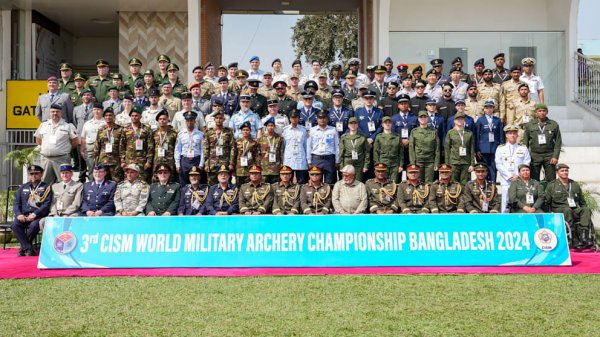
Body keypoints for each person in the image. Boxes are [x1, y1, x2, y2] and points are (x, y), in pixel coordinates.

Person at [545, 163, 594, 249]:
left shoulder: (574, 184)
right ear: (557, 173)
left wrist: (584, 208)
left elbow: (582, 201)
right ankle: (573, 238)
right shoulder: (552, 185)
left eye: (566, 170)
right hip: (558, 209)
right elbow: (547, 201)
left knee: (585, 209)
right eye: (562, 171)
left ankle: (584, 236)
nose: (565, 172)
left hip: (574, 209)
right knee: (567, 210)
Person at [12, 165, 52, 256]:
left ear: (41, 174)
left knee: (34, 225)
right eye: (31, 174)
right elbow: (17, 203)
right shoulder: (23, 187)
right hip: (24, 216)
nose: (33, 175)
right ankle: (28, 248)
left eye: (36, 173)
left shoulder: (47, 187)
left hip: (38, 216)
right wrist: (19, 214)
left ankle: (23, 248)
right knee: (15, 225)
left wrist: (34, 214)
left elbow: (46, 204)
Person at [34, 104, 79, 184]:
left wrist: (64, 149)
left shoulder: (68, 126)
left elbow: (75, 141)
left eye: (57, 112)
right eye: (53, 111)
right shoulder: (43, 125)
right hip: (46, 159)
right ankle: (47, 197)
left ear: (61, 113)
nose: (55, 113)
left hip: (62, 159)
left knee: (64, 181)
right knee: (45, 182)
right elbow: (38, 140)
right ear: (49, 113)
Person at [495, 125, 531, 213]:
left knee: (520, 201)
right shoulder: (500, 148)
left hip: (519, 179)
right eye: (510, 133)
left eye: (514, 133)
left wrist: (518, 175)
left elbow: (526, 163)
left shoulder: (523, 148)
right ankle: (504, 222)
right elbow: (498, 164)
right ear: (506, 135)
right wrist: (509, 176)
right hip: (506, 179)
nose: (512, 135)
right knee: (505, 202)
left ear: (517, 135)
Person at [522, 103, 562, 183]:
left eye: (544, 111)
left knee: (551, 179)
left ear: (547, 112)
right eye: (539, 111)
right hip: (534, 155)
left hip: (549, 156)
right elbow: (525, 142)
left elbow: (558, 142)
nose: (542, 112)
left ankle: (550, 195)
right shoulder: (530, 125)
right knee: (534, 179)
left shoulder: (553, 124)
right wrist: (526, 157)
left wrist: (555, 156)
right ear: (536, 113)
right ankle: (536, 195)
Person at [39, 164, 82, 232]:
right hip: (56, 214)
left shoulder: (78, 185)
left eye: (67, 173)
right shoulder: (54, 186)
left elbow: (76, 203)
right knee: (42, 222)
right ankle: (49, 241)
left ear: (71, 174)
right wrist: (54, 214)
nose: (65, 175)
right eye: (63, 173)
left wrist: (66, 214)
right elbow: (52, 202)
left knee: (68, 222)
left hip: (71, 214)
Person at [119, 106, 154, 182]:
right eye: (132, 116)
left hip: (142, 161)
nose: (134, 117)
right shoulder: (125, 129)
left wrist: (149, 161)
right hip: (129, 161)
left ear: (140, 116)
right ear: (130, 117)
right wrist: (122, 161)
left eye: (136, 115)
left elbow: (150, 146)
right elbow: (122, 146)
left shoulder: (146, 128)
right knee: (129, 180)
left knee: (142, 181)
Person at [203, 110, 235, 186]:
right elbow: (206, 149)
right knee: (211, 186)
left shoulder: (228, 132)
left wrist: (231, 163)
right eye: (216, 118)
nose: (218, 120)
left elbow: (232, 148)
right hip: (212, 163)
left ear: (223, 120)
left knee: (226, 184)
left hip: (225, 162)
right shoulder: (209, 132)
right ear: (214, 120)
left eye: (220, 118)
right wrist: (206, 164)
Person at [307, 110, 339, 184]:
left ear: (327, 119)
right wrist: (309, 161)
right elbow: (308, 147)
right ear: (317, 119)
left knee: (330, 182)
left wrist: (337, 160)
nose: (322, 120)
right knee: (316, 182)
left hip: (329, 159)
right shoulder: (312, 130)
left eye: (324, 118)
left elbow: (337, 146)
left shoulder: (333, 130)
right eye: (320, 118)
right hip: (316, 159)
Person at [475, 100, 504, 183]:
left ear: (493, 109)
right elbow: (477, 135)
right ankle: (484, 186)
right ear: (484, 109)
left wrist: (501, 147)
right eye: (487, 108)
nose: (489, 110)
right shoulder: (480, 120)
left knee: (493, 169)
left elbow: (501, 135)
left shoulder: (497, 120)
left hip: (495, 148)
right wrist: (477, 149)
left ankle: (493, 187)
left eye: (491, 108)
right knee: (483, 168)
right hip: (483, 149)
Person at [409, 111, 440, 183]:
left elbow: (437, 148)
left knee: (429, 183)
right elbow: (411, 149)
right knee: (418, 182)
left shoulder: (433, 131)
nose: (423, 118)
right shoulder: (414, 131)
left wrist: (436, 163)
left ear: (428, 118)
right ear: (418, 119)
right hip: (418, 161)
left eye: (425, 117)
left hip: (430, 162)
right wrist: (413, 163)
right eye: (421, 117)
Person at [174, 111, 205, 186]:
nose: (190, 122)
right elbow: (177, 150)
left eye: (191, 120)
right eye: (188, 120)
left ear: (195, 121)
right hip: (185, 161)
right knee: (183, 183)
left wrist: (201, 164)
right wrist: (177, 164)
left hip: (196, 160)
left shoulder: (200, 134)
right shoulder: (181, 134)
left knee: (197, 182)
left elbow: (203, 150)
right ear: (185, 121)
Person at [444, 112, 475, 185]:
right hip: (454, 163)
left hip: (465, 162)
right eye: (458, 119)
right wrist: (447, 164)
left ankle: (465, 197)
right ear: (454, 121)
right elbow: (447, 149)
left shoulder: (469, 133)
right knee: (453, 184)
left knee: (465, 184)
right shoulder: (450, 133)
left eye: (461, 119)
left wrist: (472, 164)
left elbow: (472, 149)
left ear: (464, 121)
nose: (460, 121)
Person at [94, 108, 124, 182]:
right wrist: (96, 159)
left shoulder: (120, 129)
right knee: (103, 181)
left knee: (117, 181)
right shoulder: (101, 129)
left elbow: (122, 145)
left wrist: (122, 159)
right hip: (103, 160)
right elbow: (97, 144)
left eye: (110, 115)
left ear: (114, 116)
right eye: (106, 115)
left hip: (115, 161)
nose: (108, 117)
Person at [79, 102, 106, 182]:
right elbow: (83, 138)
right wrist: (82, 150)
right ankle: (91, 185)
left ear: (102, 111)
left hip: (102, 149)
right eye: (94, 109)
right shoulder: (87, 123)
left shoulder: (105, 123)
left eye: (98, 109)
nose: (96, 111)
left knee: (102, 169)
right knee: (91, 169)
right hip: (90, 148)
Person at [282, 110, 309, 184]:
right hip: (289, 160)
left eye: (296, 117)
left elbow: (306, 146)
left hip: (300, 160)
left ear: (298, 118)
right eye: (292, 117)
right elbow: (283, 146)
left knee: (302, 182)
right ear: (290, 119)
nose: (294, 119)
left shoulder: (303, 130)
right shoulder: (285, 130)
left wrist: (308, 160)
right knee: (288, 182)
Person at [339, 117, 370, 182]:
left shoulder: (363, 137)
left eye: (355, 123)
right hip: (347, 161)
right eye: (351, 123)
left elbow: (367, 152)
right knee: (347, 181)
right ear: (348, 125)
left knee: (358, 181)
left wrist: (365, 165)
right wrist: (341, 166)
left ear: (357, 125)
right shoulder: (344, 137)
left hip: (359, 162)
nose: (353, 125)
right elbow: (341, 152)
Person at [373, 116, 403, 182]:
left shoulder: (397, 136)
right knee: (382, 182)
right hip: (383, 162)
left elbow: (400, 152)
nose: (387, 124)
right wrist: (377, 164)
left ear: (391, 124)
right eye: (385, 122)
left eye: (389, 122)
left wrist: (401, 165)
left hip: (394, 163)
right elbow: (376, 152)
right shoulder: (379, 137)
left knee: (394, 183)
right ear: (382, 124)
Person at [151, 109, 177, 181]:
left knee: (170, 180)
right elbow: (151, 148)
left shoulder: (173, 133)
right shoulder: (154, 133)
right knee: (156, 180)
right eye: (160, 119)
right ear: (158, 121)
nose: (162, 121)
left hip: (169, 161)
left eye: (164, 119)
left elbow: (177, 148)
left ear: (168, 120)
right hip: (157, 161)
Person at [257, 117, 284, 183]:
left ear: (274, 126)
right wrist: (258, 166)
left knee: (275, 188)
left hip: (275, 168)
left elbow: (281, 152)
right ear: (266, 127)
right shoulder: (261, 139)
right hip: (264, 168)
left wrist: (282, 164)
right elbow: (258, 154)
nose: (270, 127)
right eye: (268, 125)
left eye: (272, 125)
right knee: (264, 189)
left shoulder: (279, 138)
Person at [232, 121, 259, 186]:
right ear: (241, 131)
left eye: (247, 130)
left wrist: (256, 167)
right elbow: (233, 154)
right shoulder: (237, 141)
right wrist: (232, 164)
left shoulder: (254, 142)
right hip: (239, 168)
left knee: (249, 187)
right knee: (238, 187)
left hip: (250, 168)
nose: (245, 131)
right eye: (243, 130)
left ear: (250, 131)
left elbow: (257, 156)